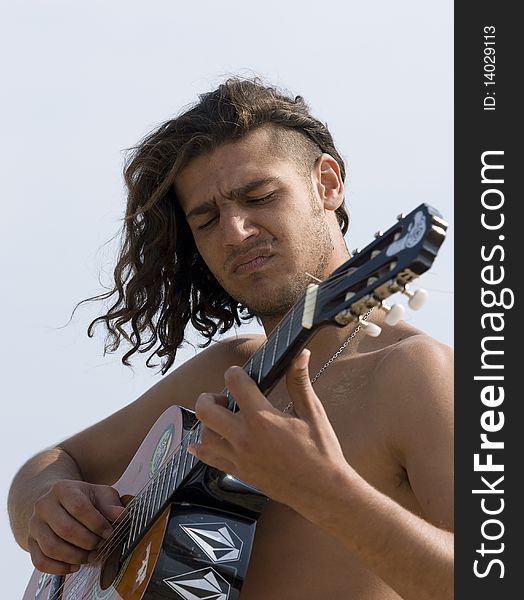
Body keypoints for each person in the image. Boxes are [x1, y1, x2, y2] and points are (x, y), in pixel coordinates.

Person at [8, 78, 453, 600]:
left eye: (259, 196)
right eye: (207, 219)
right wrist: (49, 504)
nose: (235, 232)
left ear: (328, 183)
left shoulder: (414, 374)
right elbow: (50, 462)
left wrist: (328, 492)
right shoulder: (227, 374)